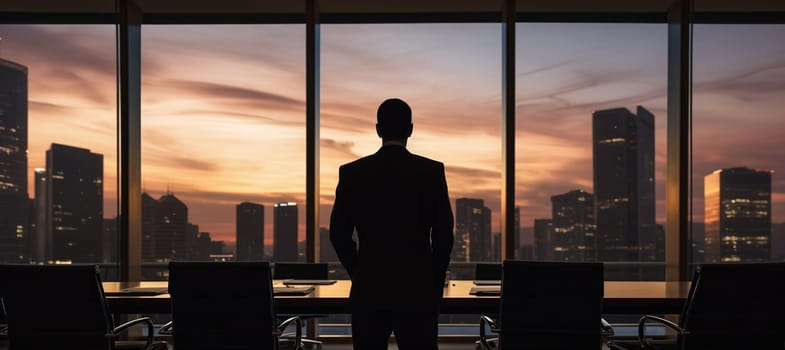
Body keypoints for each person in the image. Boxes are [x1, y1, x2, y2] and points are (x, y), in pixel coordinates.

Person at [330, 98, 454, 350]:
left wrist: (359, 271)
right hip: (417, 291)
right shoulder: (431, 171)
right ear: (410, 129)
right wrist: (433, 281)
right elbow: (443, 234)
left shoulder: (353, 172)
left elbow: (338, 234)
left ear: (378, 130)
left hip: (370, 290)